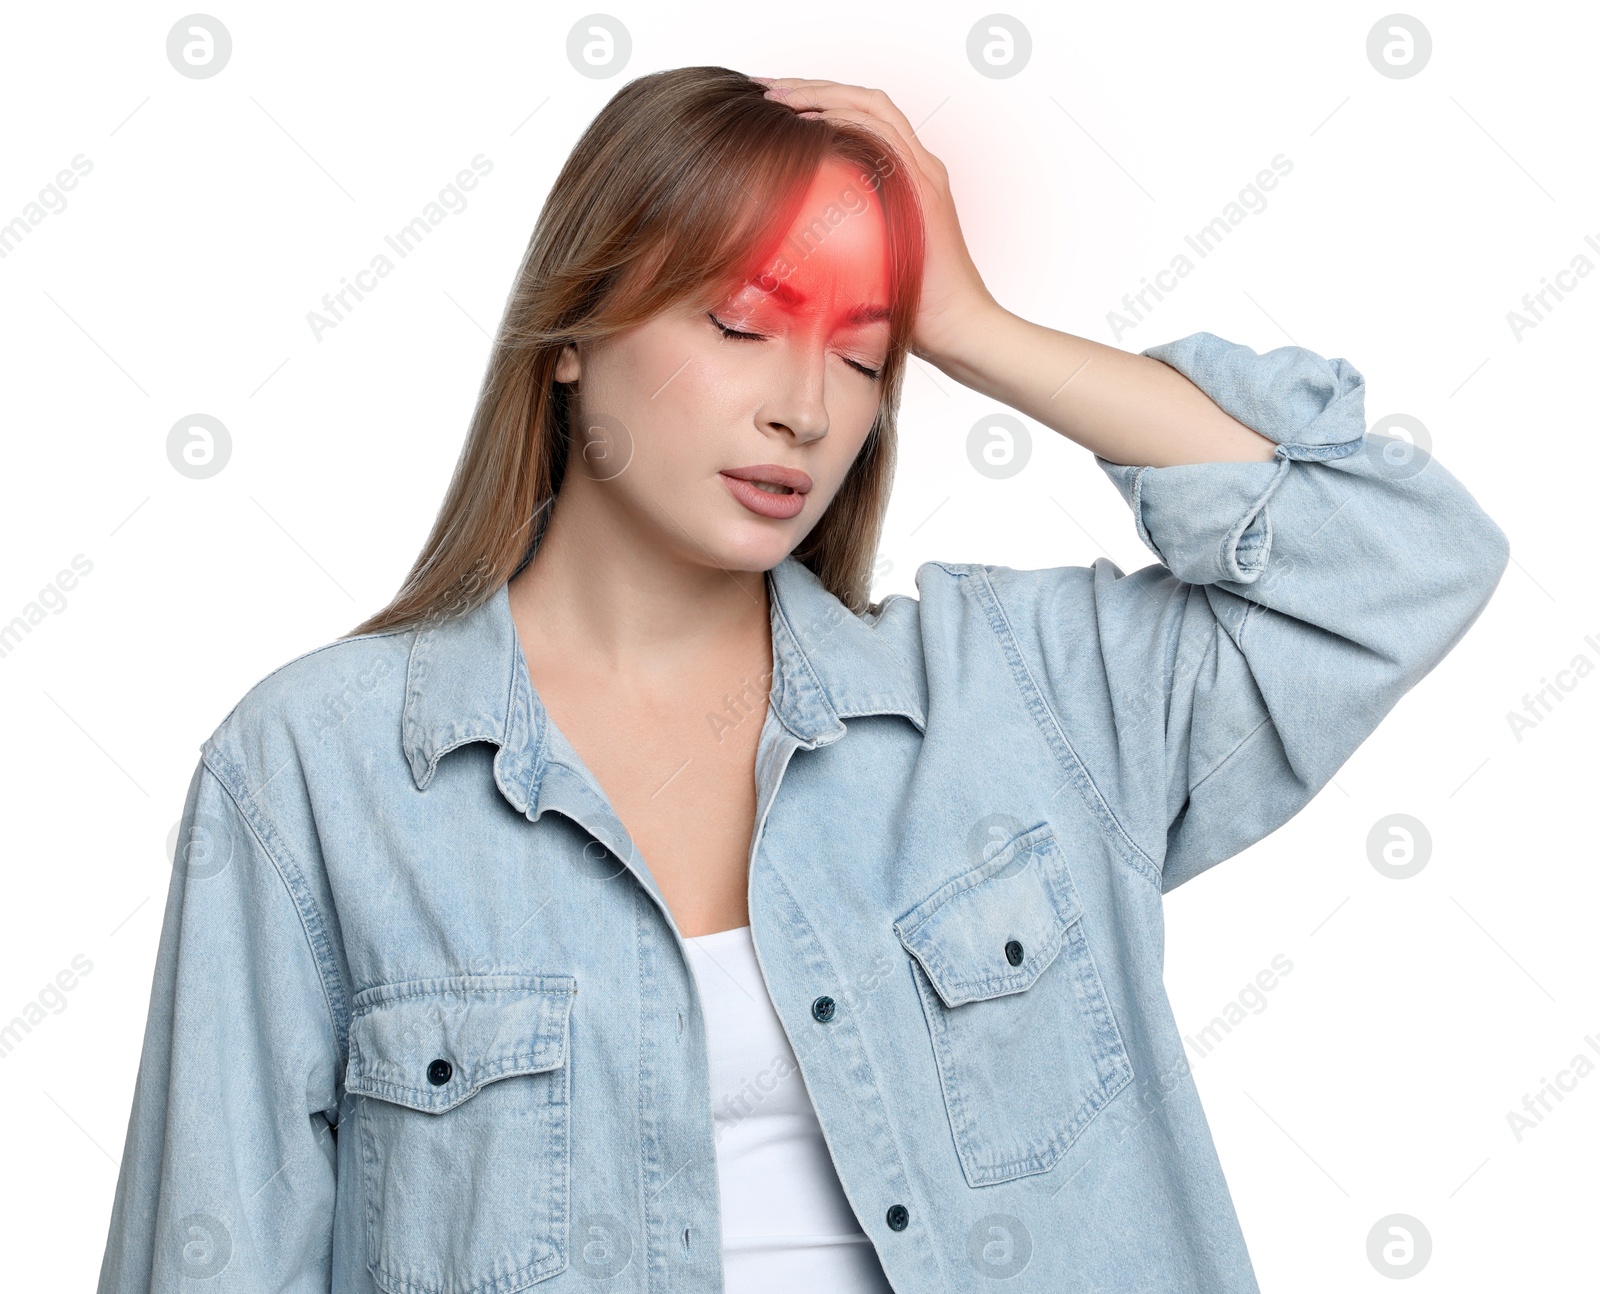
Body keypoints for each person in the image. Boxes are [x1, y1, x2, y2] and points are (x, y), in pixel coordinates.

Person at [96, 67, 1509, 1293]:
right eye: (740, 324)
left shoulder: (1015, 701)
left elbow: (1396, 557)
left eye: (861, 348)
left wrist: (978, 328)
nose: (807, 404)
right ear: (573, 335)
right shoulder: (318, 771)